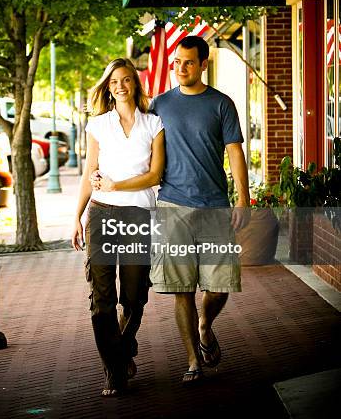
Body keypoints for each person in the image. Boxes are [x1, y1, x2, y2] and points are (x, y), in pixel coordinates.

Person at [149, 36, 250, 384]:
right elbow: (138, 146)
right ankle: (192, 359)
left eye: (188, 62)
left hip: (215, 206)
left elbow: (235, 152)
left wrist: (243, 199)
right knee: (182, 289)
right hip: (172, 205)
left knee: (220, 286)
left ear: (203, 64)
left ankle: (205, 324)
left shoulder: (221, 104)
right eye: (177, 61)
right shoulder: (159, 104)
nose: (180, 68)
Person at [71, 58, 165, 397]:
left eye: (126, 80)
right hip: (101, 215)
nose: (120, 86)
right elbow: (89, 173)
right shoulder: (99, 125)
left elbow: (155, 176)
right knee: (102, 296)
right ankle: (113, 369)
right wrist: (77, 216)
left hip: (138, 214)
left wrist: (116, 186)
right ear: (108, 89)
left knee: (135, 293)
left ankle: (123, 348)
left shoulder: (153, 124)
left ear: (135, 85)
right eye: (114, 82)